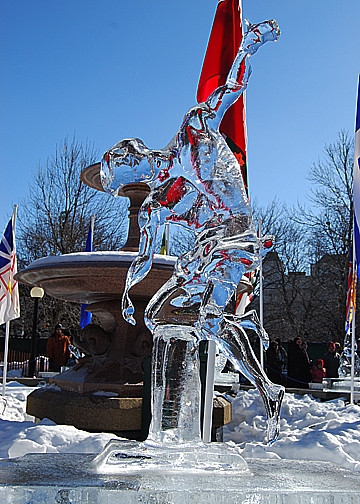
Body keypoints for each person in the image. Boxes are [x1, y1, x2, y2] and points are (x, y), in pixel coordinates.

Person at [101, 19, 284, 443]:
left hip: (235, 236)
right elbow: (144, 257)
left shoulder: (193, 131)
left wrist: (249, 46)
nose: (128, 187)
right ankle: (170, 431)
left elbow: (231, 90)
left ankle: (264, 389)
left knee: (206, 318)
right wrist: (129, 296)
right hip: (205, 248)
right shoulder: (155, 203)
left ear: (135, 156)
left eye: (123, 178)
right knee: (156, 313)